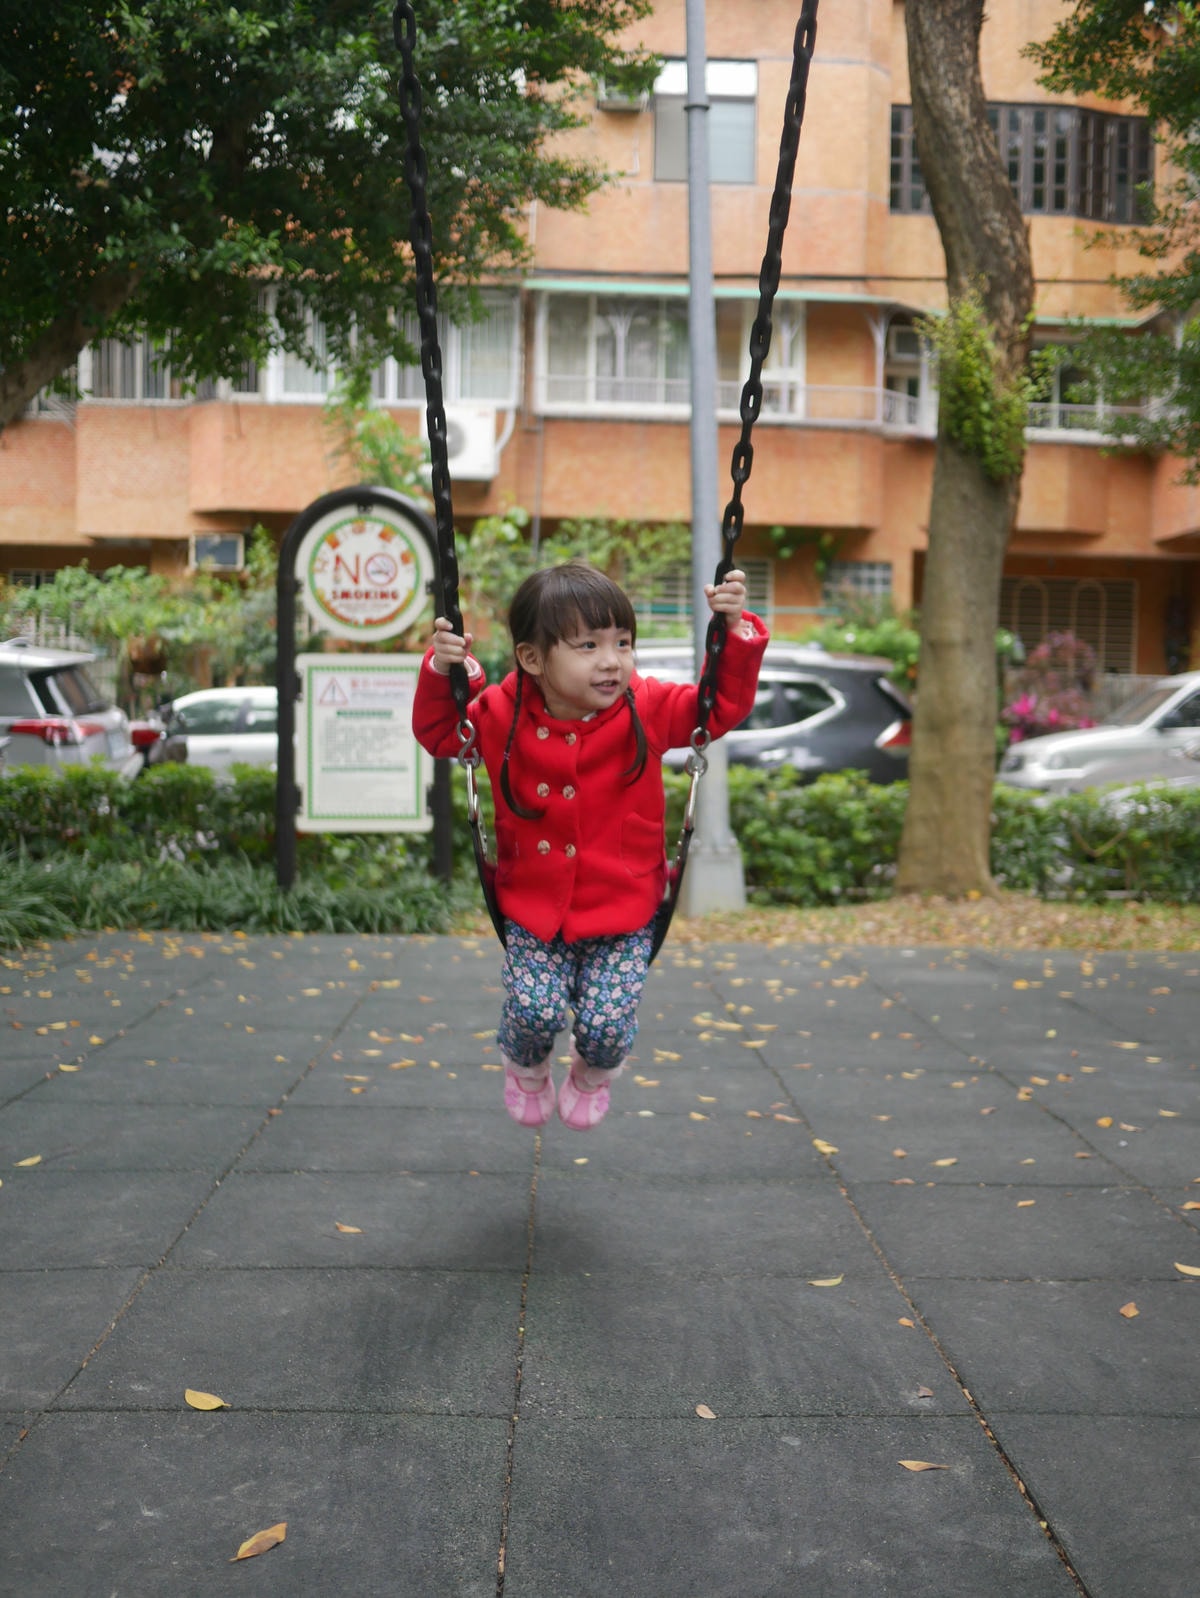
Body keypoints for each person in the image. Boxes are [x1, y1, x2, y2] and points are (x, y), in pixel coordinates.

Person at [412, 559, 768, 1131]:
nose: (612, 660)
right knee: (533, 1009)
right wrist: (444, 671)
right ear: (532, 658)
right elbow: (439, 733)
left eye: (622, 642)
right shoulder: (501, 713)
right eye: (588, 645)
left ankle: (595, 1070)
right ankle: (525, 1065)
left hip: (624, 907)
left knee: (607, 1023)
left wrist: (733, 632)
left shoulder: (646, 707)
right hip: (534, 905)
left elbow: (717, 707)